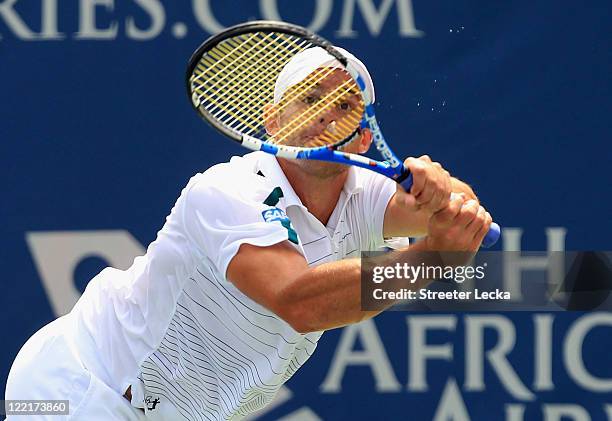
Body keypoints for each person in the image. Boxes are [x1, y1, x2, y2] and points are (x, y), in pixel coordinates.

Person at [4, 46, 492, 420]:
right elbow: (302, 303)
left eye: (344, 104)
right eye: (309, 99)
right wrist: (435, 257)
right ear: (273, 122)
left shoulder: (365, 193)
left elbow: (453, 216)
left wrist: (442, 189)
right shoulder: (226, 191)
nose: (325, 114)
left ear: (364, 135)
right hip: (80, 388)